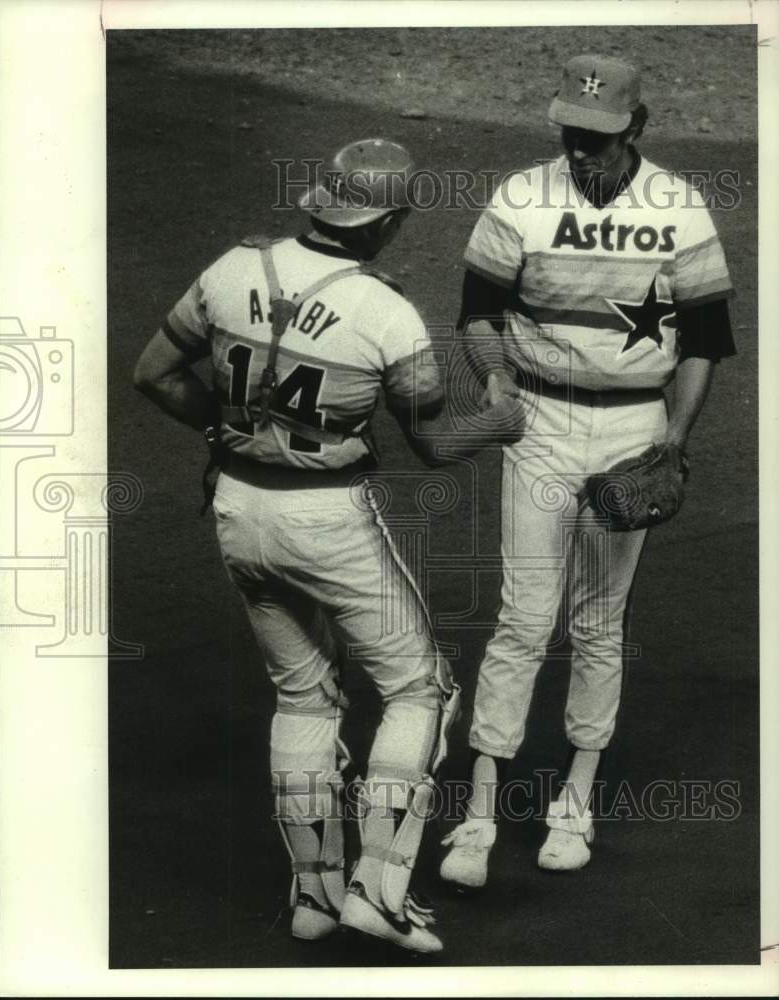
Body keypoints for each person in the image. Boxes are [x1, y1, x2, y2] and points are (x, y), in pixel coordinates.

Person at [133, 138, 524, 953]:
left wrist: (228, 426)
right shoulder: (384, 312)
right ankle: (378, 893)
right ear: (382, 221)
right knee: (420, 689)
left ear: (321, 201)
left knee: (302, 694)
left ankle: (312, 896)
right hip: (328, 521)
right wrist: (499, 415)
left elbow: (155, 374)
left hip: (239, 511)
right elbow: (434, 447)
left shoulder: (231, 268)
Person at [439, 55, 736, 887]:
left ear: (636, 127)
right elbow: (477, 312)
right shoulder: (520, 199)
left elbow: (705, 341)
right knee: (523, 619)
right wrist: (494, 376)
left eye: (599, 138)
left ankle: (575, 799)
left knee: (598, 621)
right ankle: (479, 812)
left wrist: (671, 441)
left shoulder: (677, 208)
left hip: (631, 427)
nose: (581, 151)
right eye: (571, 134)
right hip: (537, 420)